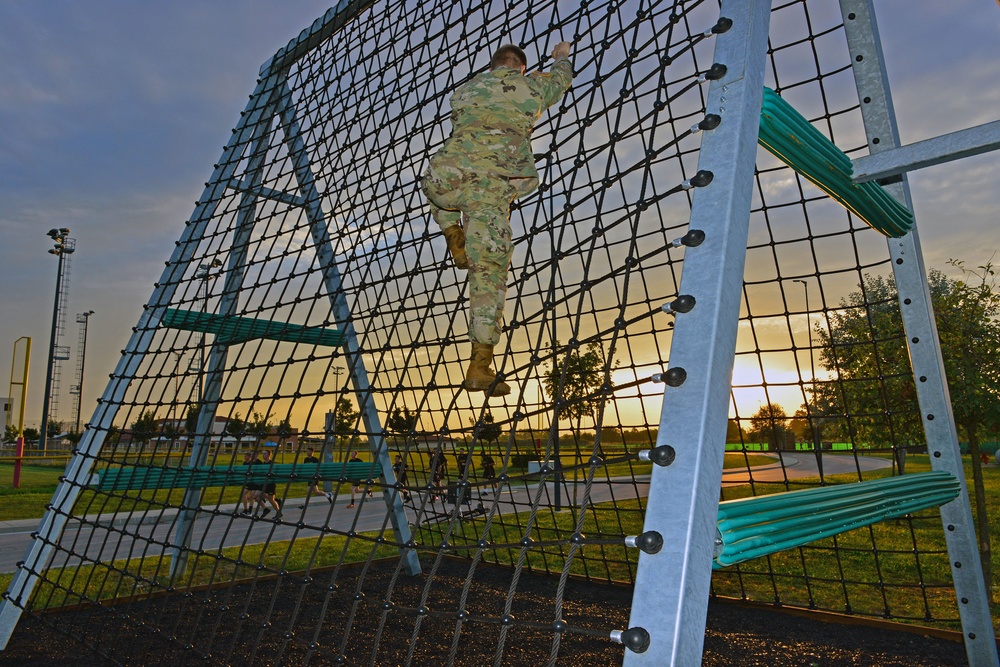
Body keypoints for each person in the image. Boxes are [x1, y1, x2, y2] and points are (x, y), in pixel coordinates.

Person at [422, 42, 573, 397]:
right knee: (488, 277)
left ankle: (452, 233)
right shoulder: (530, 87)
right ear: (520, 67)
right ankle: (480, 366)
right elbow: (560, 81)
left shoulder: (464, 90)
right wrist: (561, 55)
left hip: (443, 180)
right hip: (488, 193)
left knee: (440, 188)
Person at [254, 448, 283, 521]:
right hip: (264, 483)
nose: (263, 455)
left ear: (269, 455)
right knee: (256, 495)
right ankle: (265, 509)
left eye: (265, 454)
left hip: (270, 484)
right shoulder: (263, 464)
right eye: (262, 454)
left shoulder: (272, 463)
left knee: (271, 499)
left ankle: (278, 512)